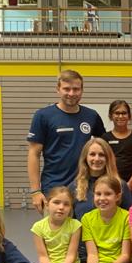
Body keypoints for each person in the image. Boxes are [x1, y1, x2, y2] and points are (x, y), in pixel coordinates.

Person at [27, 69, 105, 213]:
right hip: (54, 186)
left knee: (85, 227)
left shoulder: (91, 116)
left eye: (76, 89)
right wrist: (35, 191)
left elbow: (104, 148)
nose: (71, 93)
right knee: (55, 227)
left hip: (84, 186)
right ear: (58, 89)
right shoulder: (43, 116)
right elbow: (34, 153)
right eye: (66, 89)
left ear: (82, 90)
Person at [72, 138, 131, 221]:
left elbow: (130, 218)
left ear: (108, 158)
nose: (97, 159)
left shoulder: (120, 185)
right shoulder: (74, 186)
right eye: (92, 154)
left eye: (101, 155)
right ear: (85, 158)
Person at [102, 100, 132, 195]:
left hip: (131, 182)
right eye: (117, 113)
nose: (120, 116)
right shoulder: (105, 137)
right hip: (111, 181)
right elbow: (104, 162)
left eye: (124, 113)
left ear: (129, 116)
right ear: (110, 116)